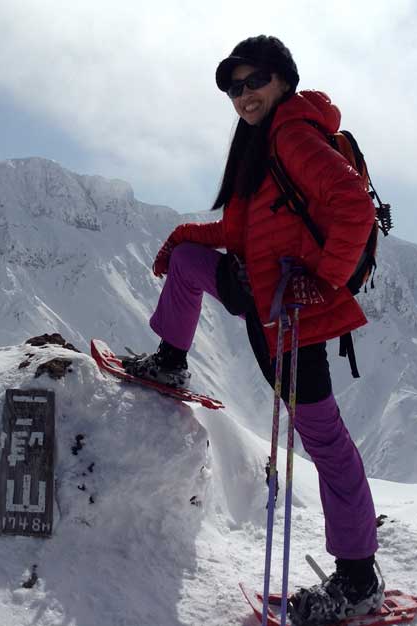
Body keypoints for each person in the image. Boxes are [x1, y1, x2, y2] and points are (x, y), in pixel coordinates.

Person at [122, 35, 382, 624]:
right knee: (189, 264)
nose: (244, 94)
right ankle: (171, 358)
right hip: (265, 299)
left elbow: (354, 205)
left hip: (295, 318)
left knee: (326, 444)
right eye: (234, 87)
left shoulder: (292, 131)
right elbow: (241, 234)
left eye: (254, 81)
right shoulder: (258, 146)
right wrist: (185, 237)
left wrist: (327, 281)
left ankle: (358, 578)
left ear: (282, 79)